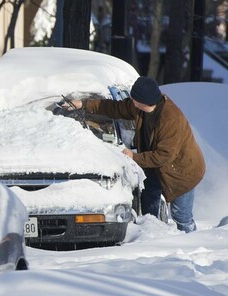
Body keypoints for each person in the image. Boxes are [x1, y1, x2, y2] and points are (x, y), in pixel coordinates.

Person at [65, 76, 206, 233]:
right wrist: (84, 104)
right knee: (149, 211)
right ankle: (152, 236)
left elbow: (164, 155)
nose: (130, 100)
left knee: (181, 216)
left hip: (181, 172)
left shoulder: (171, 118)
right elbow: (115, 108)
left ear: (144, 101)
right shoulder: (139, 107)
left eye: (133, 98)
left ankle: (191, 245)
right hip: (154, 166)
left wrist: (134, 158)